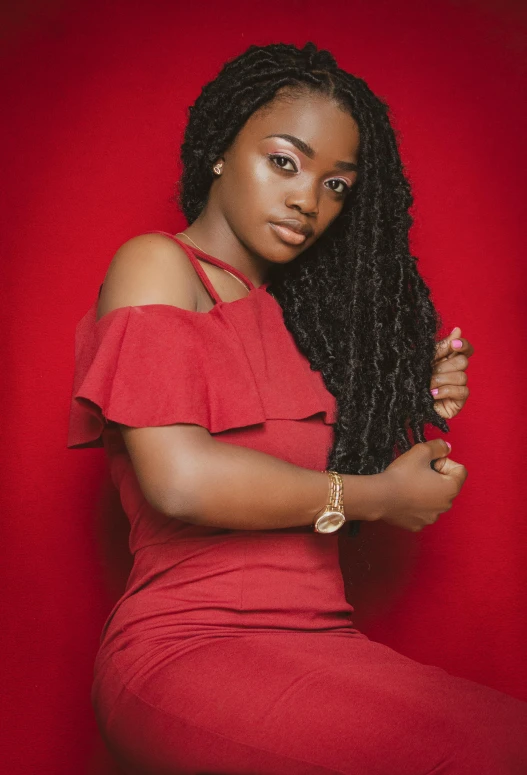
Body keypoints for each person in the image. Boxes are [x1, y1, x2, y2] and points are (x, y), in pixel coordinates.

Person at [67, 41, 527, 775]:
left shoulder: (305, 326)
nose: (307, 200)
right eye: (284, 160)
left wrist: (418, 403)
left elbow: (335, 474)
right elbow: (180, 479)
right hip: (190, 646)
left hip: (322, 640)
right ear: (221, 148)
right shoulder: (158, 264)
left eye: (336, 185)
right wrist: (379, 496)